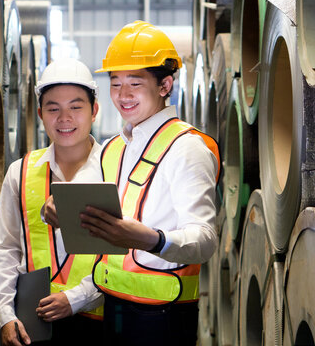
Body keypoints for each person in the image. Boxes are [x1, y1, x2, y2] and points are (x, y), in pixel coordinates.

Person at [46, 20, 221, 345]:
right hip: (112, 309)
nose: (123, 95)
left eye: (135, 83)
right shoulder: (114, 149)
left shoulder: (187, 148)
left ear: (165, 85)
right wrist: (63, 215)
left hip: (164, 319)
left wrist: (152, 239)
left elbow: (206, 240)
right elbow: (107, 251)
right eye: (115, 83)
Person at [0, 58, 104, 346]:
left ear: (95, 111)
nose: (64, 118)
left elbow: (123, 257)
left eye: (76, 107)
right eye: (53, 109)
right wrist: (5, 315)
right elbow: (5, 249)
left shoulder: (114, 171)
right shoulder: (22, 172)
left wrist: (76, 298)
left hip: (98, 321)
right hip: (32, 326)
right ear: (40, 113)